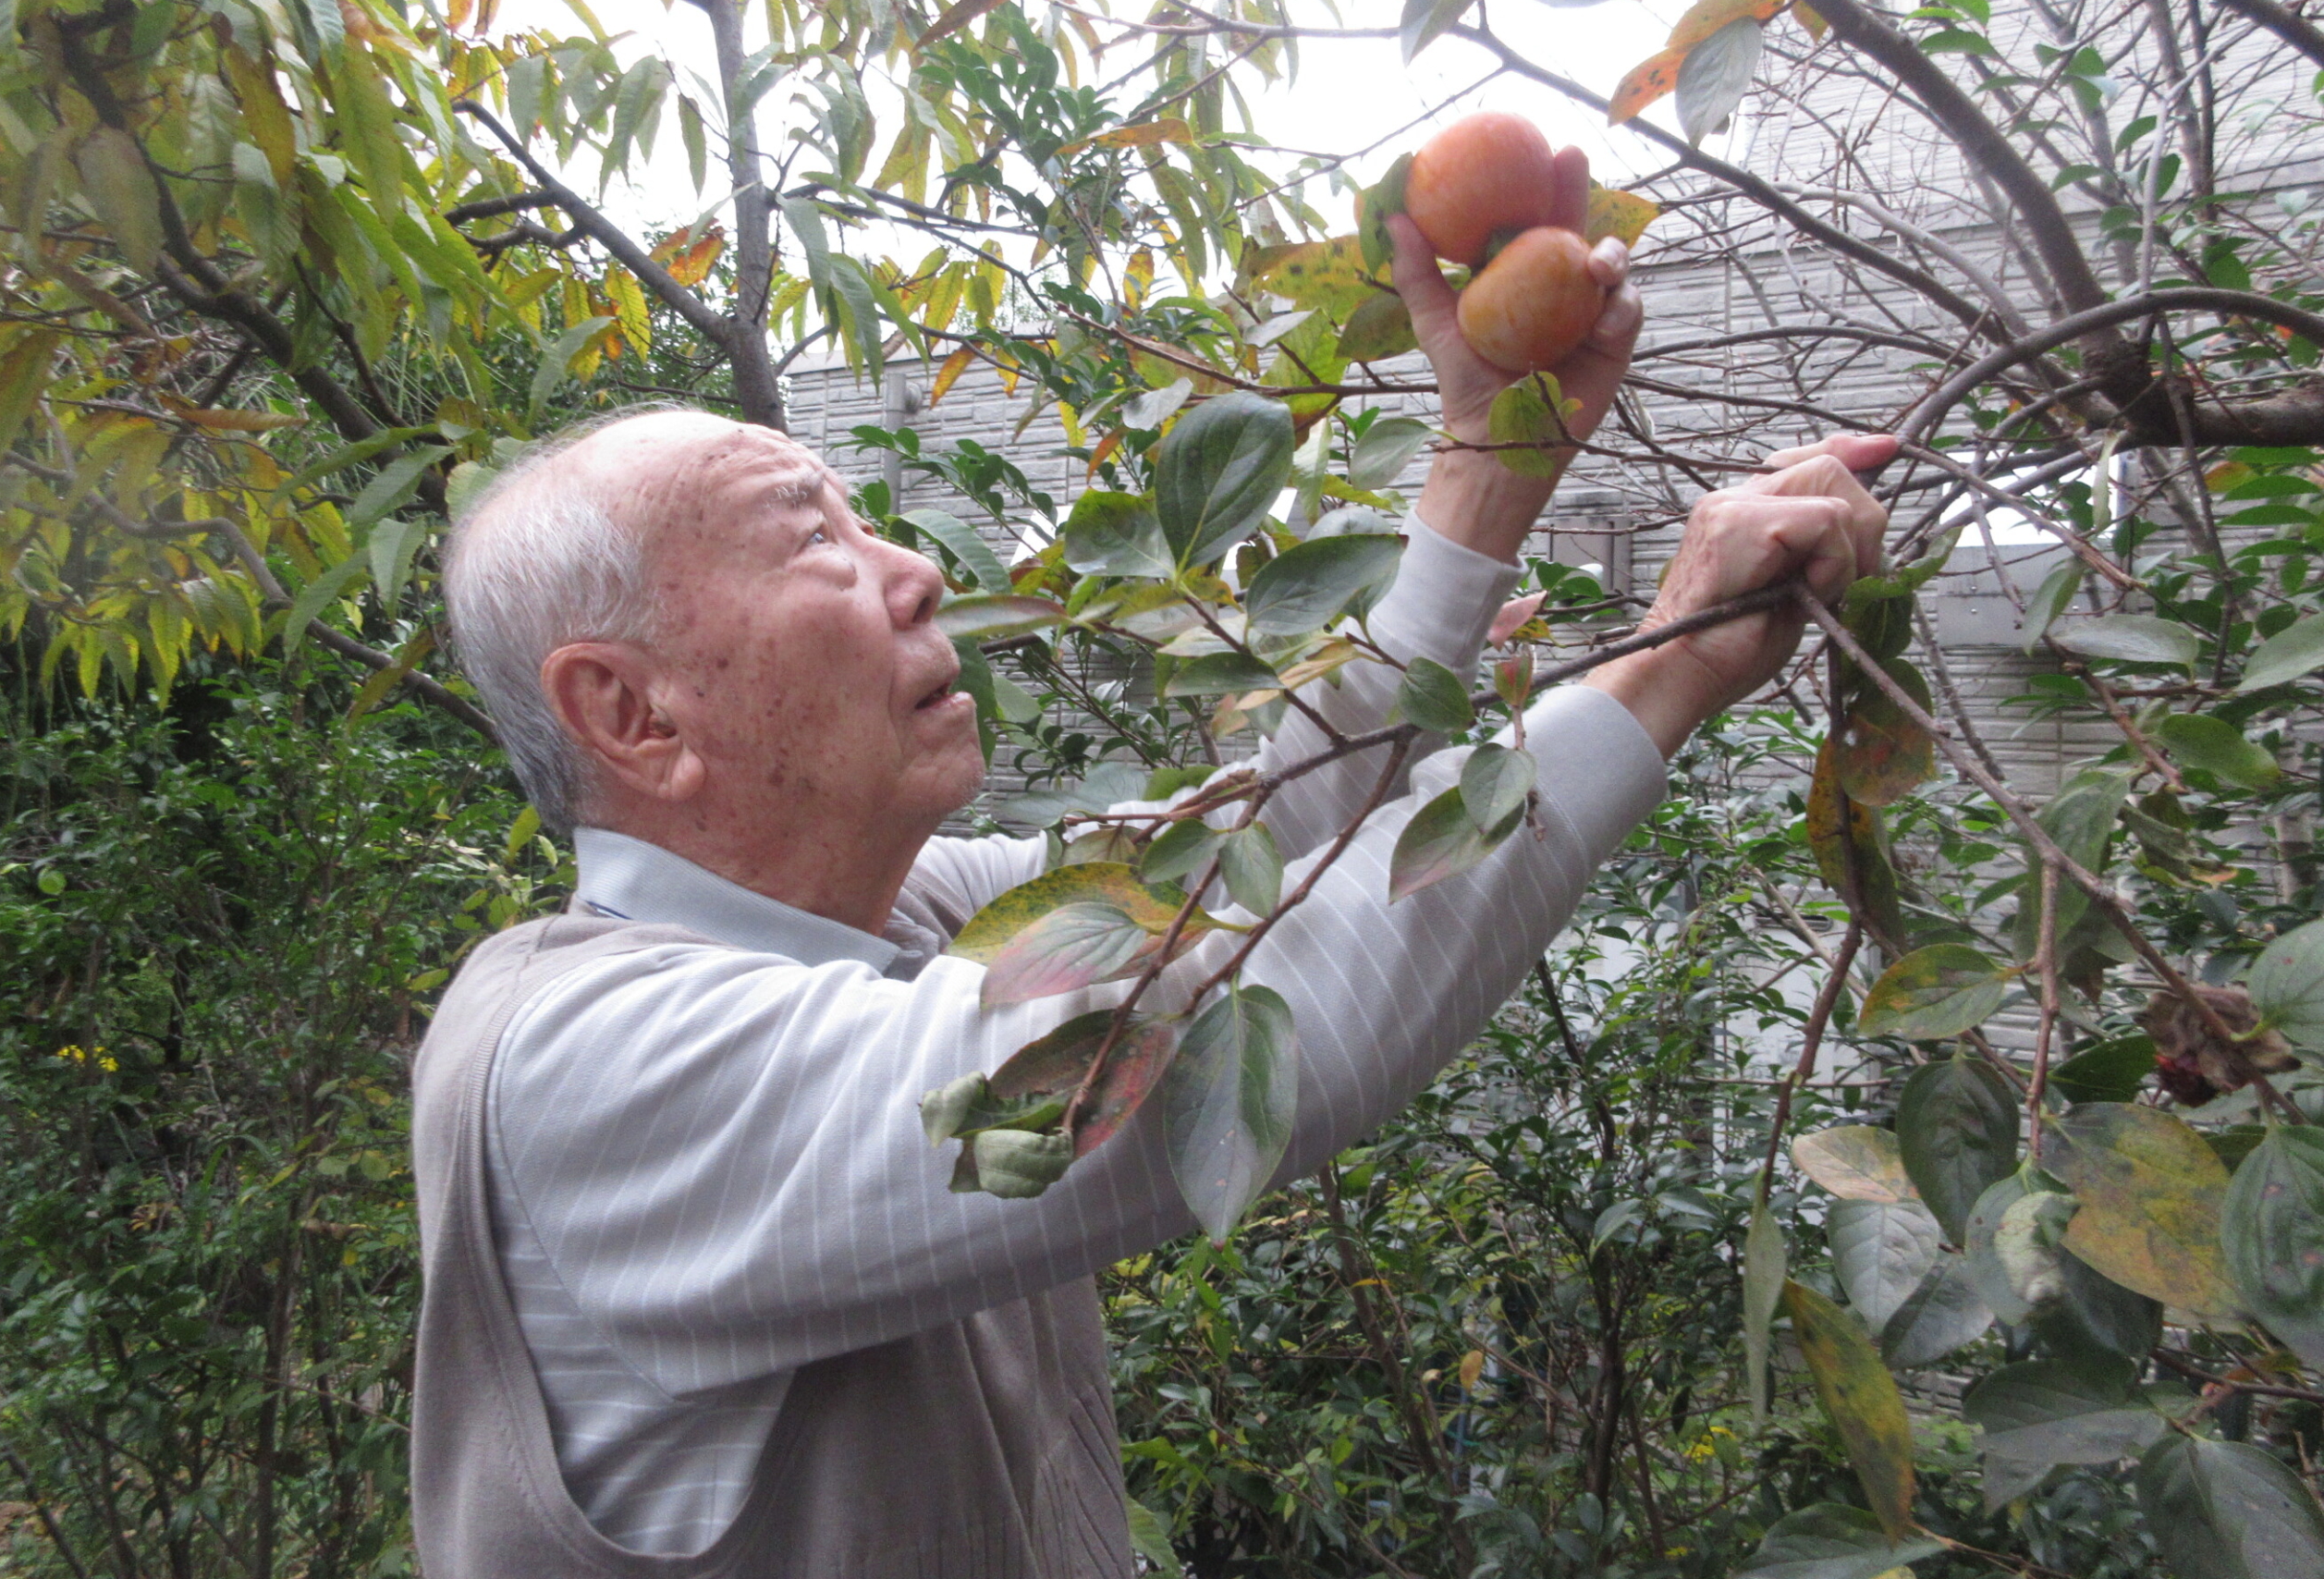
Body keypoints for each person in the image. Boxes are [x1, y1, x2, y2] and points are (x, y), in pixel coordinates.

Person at [413, 196, 1898, 1578]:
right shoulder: (585, 1076)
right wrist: (1669, 666)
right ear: (634, 713)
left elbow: (1247, 843)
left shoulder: (906, 920)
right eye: (813, 537)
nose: (912, 570)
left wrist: (1487, 462)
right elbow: (1215, 1026)